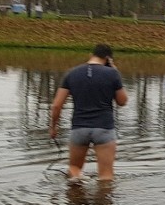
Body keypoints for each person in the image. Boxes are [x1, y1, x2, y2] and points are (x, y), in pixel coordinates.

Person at [50, 43, 129, 181]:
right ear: (108, 59)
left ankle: (77, 198)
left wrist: (53, 127)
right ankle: (103, 200)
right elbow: (122, 101)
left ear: (91, 55)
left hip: (79, 128)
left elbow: (56, 105)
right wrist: (115, 71)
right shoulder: (112, 74)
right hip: (104, 128)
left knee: (74, 169)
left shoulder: (72, 73)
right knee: (106, 176)